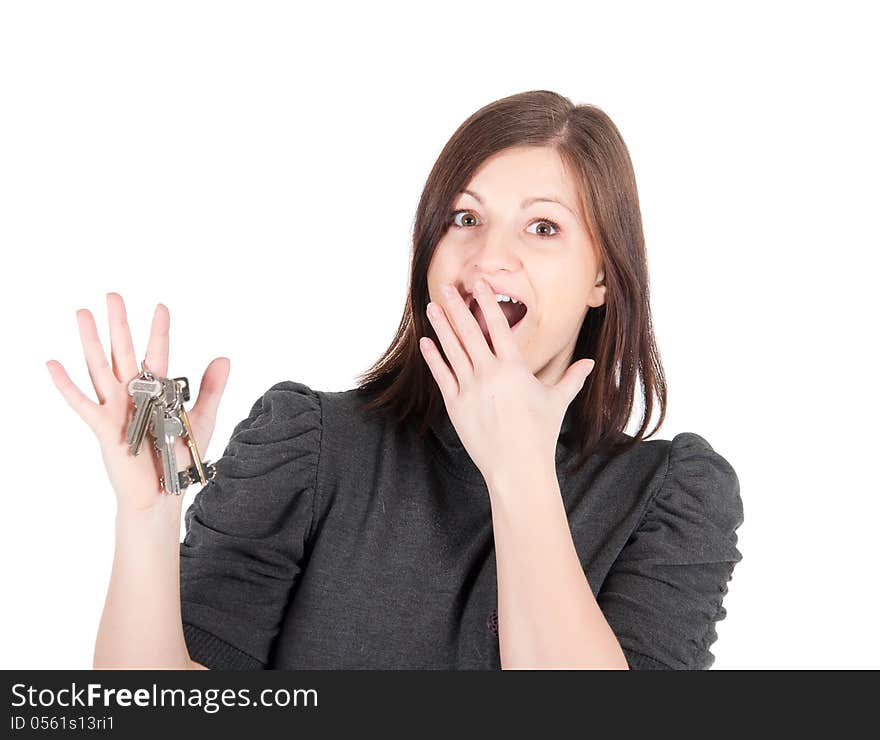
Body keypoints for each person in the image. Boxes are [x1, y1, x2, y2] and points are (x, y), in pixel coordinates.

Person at [47, 90, 744, 670]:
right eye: (465, 218)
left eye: (542, 228)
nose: (489, 254)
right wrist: (147, 520)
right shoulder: (309, 448)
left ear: (602, 276)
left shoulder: (671, 498)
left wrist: (519, 471)